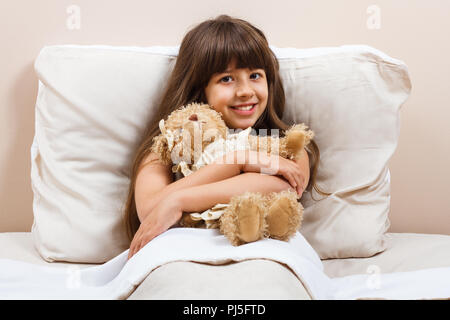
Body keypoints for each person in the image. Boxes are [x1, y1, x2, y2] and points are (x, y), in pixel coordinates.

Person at [125, 15, 329, 259]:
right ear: (200, 89)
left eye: (255, 75)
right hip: (180, 254)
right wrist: (238, 162)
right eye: (226, 79)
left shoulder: (282, 145)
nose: (245, 91)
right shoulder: (172, 145)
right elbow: (150, 208)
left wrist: (178, 200)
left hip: (260, 255)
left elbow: (284, 187)